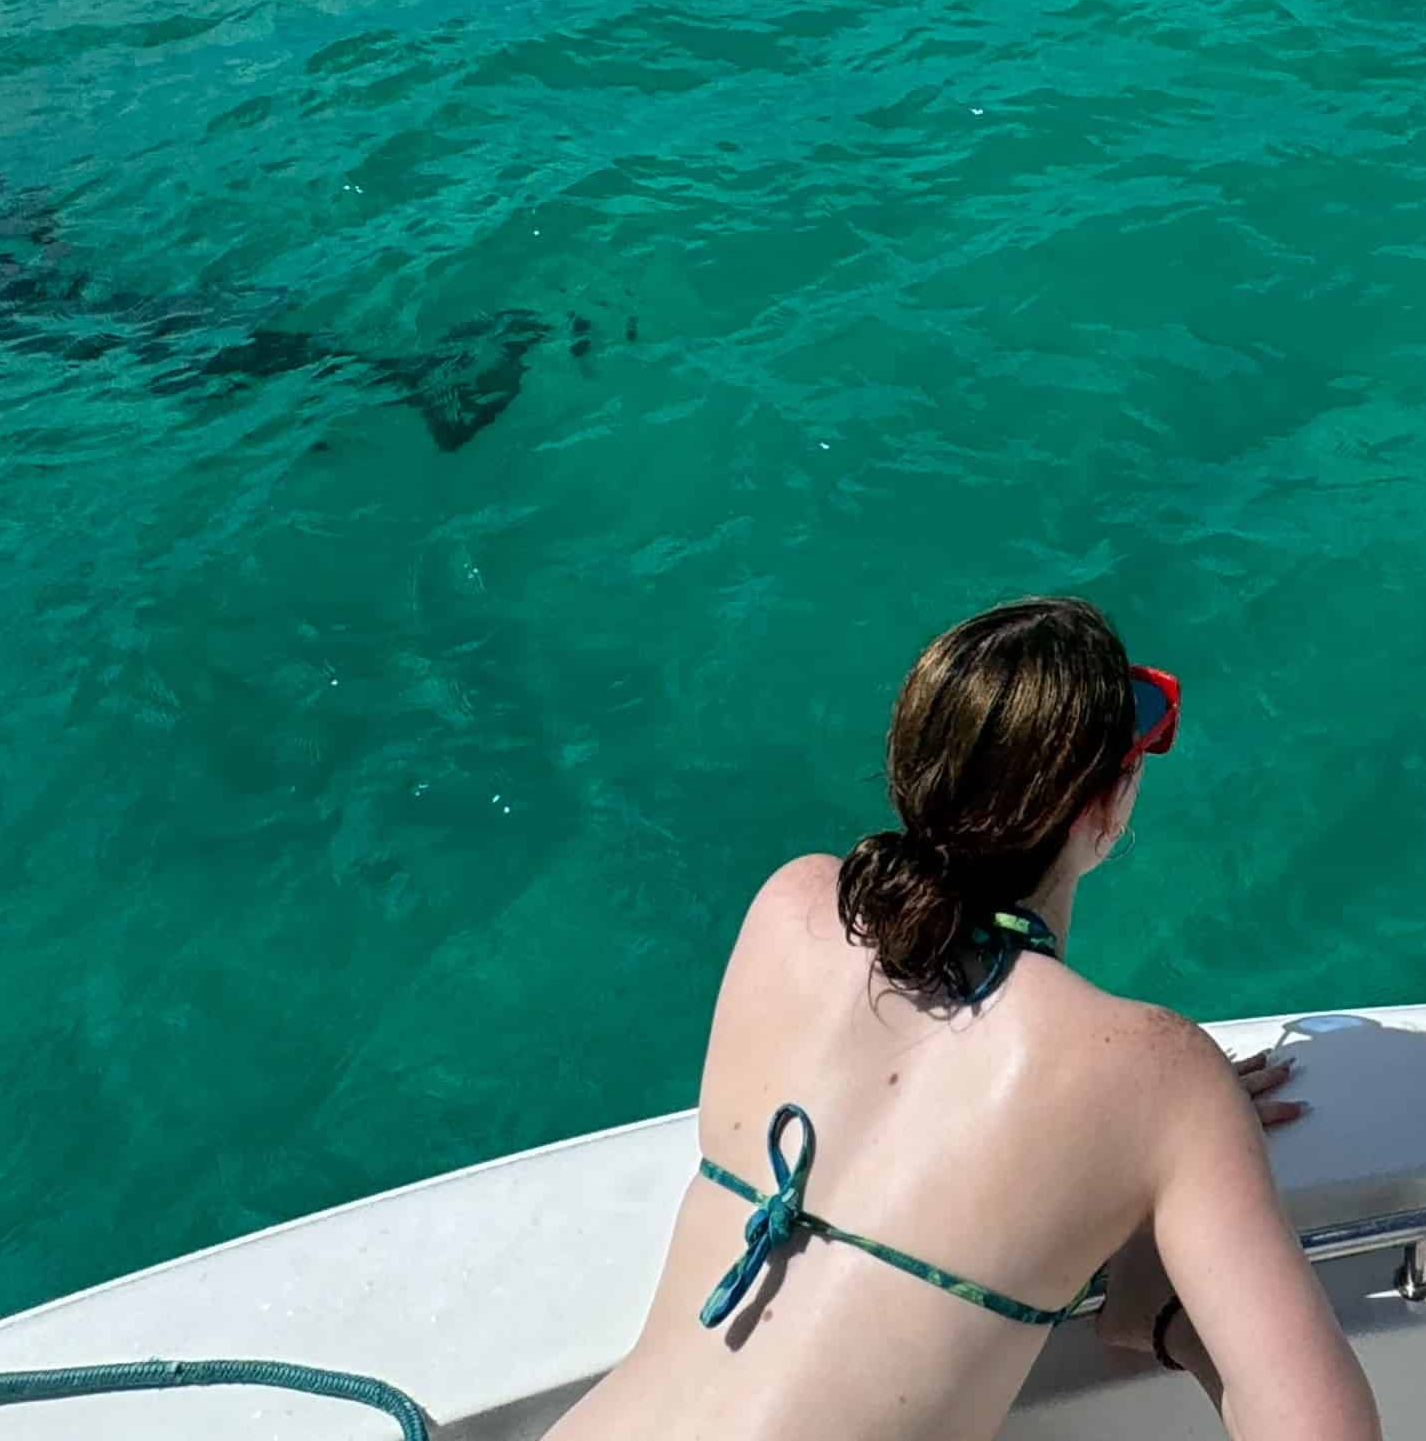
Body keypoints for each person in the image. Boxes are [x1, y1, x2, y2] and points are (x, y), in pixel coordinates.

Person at [548, 597, 1377, 1441]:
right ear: (1107, 806)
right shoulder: (1158, 1082)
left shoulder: (791, 907)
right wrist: (1171, 1269)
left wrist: (1155, 1139)